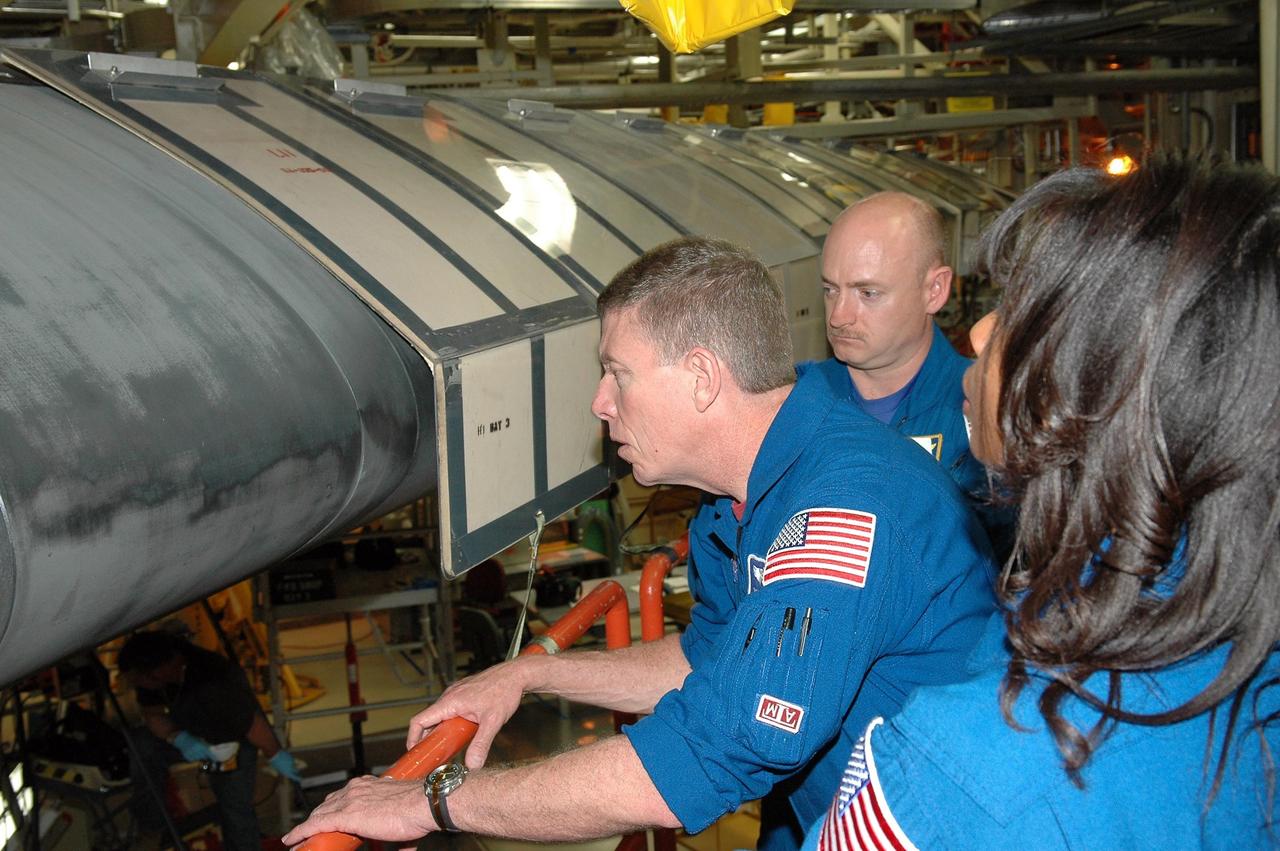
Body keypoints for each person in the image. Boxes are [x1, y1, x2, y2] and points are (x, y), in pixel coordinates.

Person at [282, 237, 995, 848]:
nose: (600, 402)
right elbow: (706, 658)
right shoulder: (742, 493)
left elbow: (694, 762)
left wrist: (430, 801)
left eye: (618, 373)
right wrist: (529, 675)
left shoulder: (844, 506)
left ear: (702, 378)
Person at [800, 155, 1280, 849]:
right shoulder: (1232, 623)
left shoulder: (949, 779)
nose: (981, 332)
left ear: (1102, 382)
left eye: (1023, 307)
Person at [809, 191, 982, 498]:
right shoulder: (793, 403)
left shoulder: (984, 413)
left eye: (868, 293)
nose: (838, 317)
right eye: (830, 290)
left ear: (934, 290)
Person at [118, 630, 303, 851]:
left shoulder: (212, 677)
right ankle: (153, 826)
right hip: (189, 730)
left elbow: (251, 724)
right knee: (142, 743)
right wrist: (178, 737)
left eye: (139, 680)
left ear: (159, 670)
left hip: (233, 737)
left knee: (235, 807)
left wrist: (275, 754)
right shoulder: (157, 680)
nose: (138, 686)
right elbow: (152, 714)